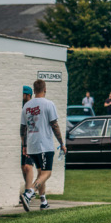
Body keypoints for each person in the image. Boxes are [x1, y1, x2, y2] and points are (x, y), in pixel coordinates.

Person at [20, 79, 65, 211]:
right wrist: (62, 143)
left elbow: (22, 128)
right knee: (47, 173)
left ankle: (43, 202)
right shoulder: (48, 104)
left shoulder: (26, 106)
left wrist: (24, 146)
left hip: (32, 146)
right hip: (44, 145)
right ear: (45, 89)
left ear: (33, 91)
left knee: (41, 173)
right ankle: (29, 193)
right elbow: (54, 125)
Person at [20, 85, 35, 188]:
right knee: (23, 167)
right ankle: (29, 188)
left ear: (27, 95)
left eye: (22, 94)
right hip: (23, 142)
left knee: (28, 166)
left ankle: (28, 192)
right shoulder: (21, 107)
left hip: (31, 141)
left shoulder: (32, 108)